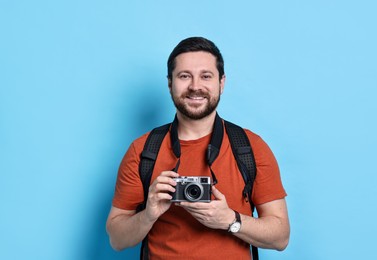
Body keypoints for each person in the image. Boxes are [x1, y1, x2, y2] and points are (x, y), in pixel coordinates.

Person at [106, 37, 290, 259]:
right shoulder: (144, 151)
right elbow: (117, 239)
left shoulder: (250, 148)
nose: (195, 86)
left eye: (206, 76)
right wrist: (148, 215)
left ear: (221, 83)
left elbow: (280, 237)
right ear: (169, 83)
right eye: (184, 76)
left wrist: (230, 220)